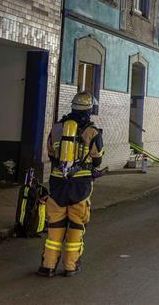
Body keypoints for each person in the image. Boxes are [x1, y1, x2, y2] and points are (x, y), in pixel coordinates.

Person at [38, 91, 104, 278]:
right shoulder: (92, 131)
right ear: (89, 109)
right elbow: (97, 159)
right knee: (76, 226)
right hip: (80, 187)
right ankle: (70, 266)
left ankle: (48, 265)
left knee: (55, 226)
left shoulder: (58, 128)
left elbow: (51, 153)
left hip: (58, 184)